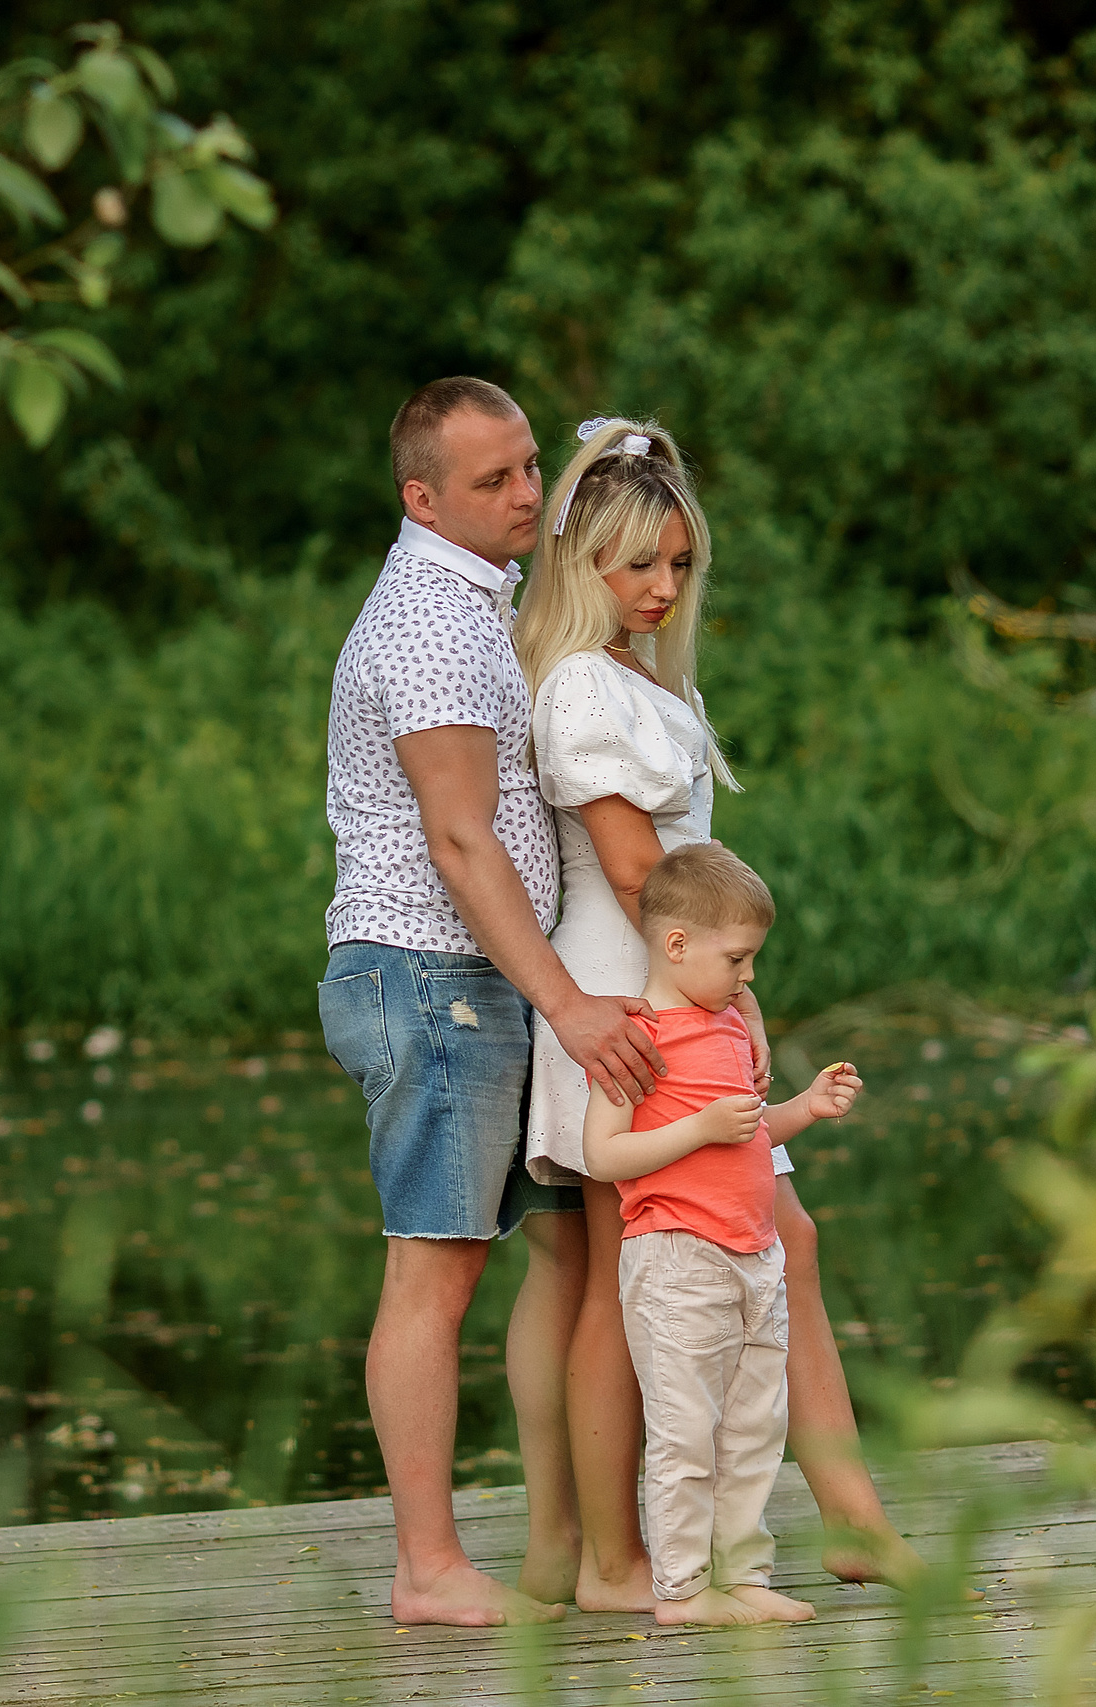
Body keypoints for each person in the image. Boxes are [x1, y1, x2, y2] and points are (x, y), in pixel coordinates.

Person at [507, 416, 944, 1610]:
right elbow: (644, 875)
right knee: (624, 1270)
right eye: (636, 563)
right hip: (639, 997)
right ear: (580, 563)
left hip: (698, 983)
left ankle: (846, 1519)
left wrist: (737, 995)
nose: (660, 586)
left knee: (770, 1244)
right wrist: (723, 995)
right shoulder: (583, 691)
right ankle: (614, 1559)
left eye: (680, 564)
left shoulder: (648, 682)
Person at [318, 377, 664, 1628]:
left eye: (529, 468)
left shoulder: (480, 602)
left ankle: (566, 1546)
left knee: (562, 1247)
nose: (528, 495)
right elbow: (461, 844)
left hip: (471, 980)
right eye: (494, 481)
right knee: (435, 1271)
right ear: (422, 499)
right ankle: (428, 1569)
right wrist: (571, 1003)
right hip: (429, 977)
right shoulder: (426, 622)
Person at [580, 840, 864, 1626]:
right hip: (676, 1258)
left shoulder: (729, 1032)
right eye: (738, 959)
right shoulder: (637, 1040)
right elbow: (602, 1154)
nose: (748, 978)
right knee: (686, 1432)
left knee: (752, 1429)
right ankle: (681, 1589)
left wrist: (805, 1107)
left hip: (752, 1256)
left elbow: (748, 1133)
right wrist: (701, 1125)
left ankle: (742, 1575)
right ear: (676, 945)